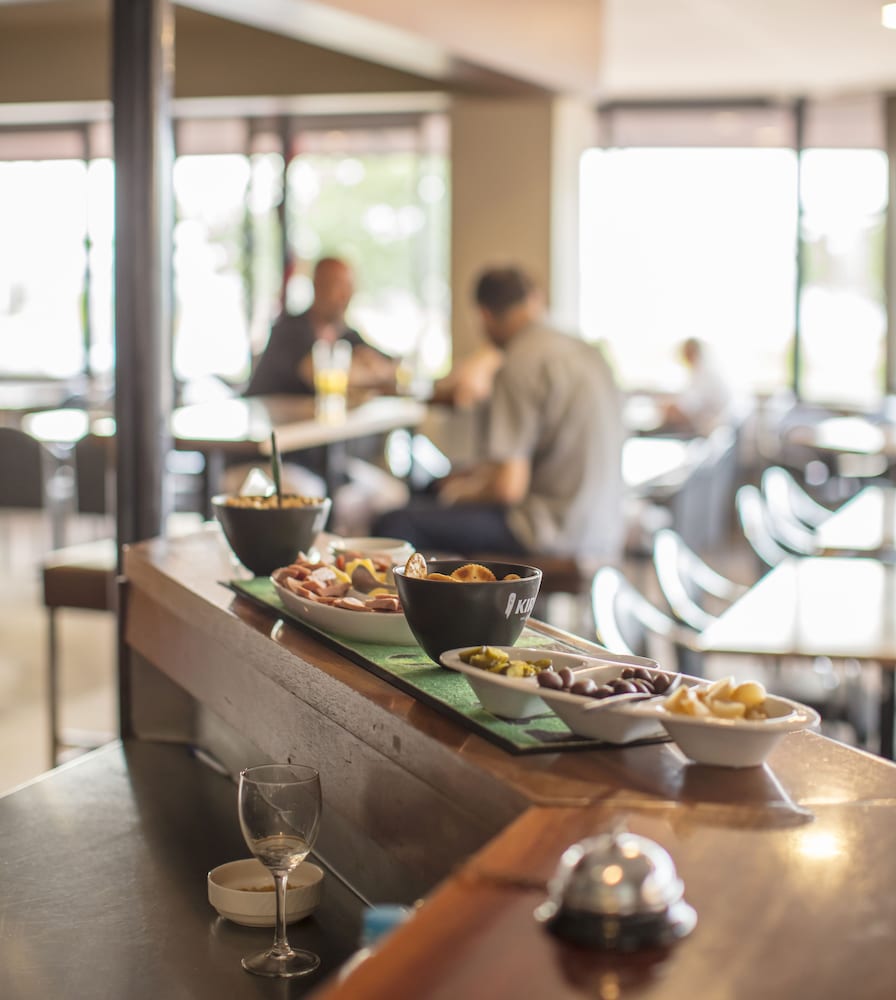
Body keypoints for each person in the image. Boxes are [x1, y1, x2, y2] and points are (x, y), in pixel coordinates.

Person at [373, 265, 625, 559]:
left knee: (395, 522)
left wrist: (456, 494)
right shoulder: (589, 353)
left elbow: (508, 488)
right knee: (433, 488)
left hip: (549, 532)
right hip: (603, 529)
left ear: (483, 315)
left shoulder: (520, 362)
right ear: (534, 299)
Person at [245, 257, 397, 398]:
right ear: (318, 286)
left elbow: (393, 368)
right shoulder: (290, 330)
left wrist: (367, 369)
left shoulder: (347, 335)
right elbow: (317, 372)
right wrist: (368, 371)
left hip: (313, 418)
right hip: (262, 416)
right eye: (338, 286)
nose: (345, 295)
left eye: (349, 287)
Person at [660, 337, 737, 438]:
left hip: (713, 426)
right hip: (713, 423)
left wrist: (673, 408)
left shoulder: (704, 372)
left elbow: (692, 405)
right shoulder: (703, 369)